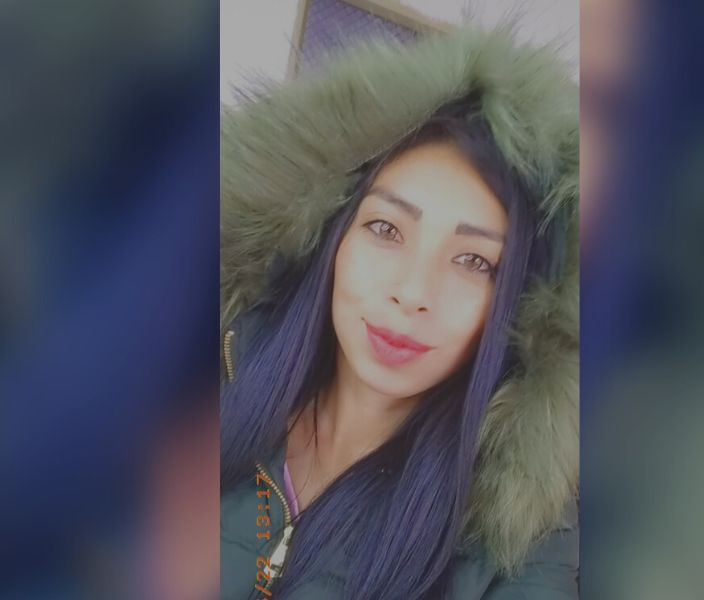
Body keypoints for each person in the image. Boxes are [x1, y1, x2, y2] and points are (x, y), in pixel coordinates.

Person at [220, 26, 578, 600]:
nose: (413, 292)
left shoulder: (522, 538)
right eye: (386, 229)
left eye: (474, 261)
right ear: (330, 237)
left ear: (520, 305)